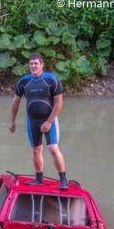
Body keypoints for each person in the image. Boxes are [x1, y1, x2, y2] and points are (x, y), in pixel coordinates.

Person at [8, 53, 68, 189]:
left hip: (49, 119)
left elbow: (59, 102)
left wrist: (49, 122)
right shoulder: (24, 81)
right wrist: (12, 121)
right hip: (32, 120)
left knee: (53, 148)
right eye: (31, 64)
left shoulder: (51, 80)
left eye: (36, 63)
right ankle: (39, 179)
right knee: (36, 150)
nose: (33, 66)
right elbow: (16, 101)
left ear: (42, 65)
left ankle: (63, 179)